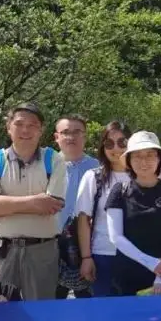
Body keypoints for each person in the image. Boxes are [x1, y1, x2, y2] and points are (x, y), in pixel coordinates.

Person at [0, 102, 65, 302]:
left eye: (32, 125)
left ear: (41, 130)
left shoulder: (54, 160)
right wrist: (36, 202)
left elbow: (52, 205)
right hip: (2, 250)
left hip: (42, 250)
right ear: (8, 127)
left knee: (40, 310)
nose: (25, 130)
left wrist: (5, 205)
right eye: (19, 124)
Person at [106, 131, 161, 296]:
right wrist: (151, 263)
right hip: (127, 276)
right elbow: (116, 237)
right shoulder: (119, 191)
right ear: (129, 161)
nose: (144, 161)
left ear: (159, 159)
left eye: (150, 155)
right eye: (137, 156)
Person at [75, 122, 132, 298]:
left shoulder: (144, 177)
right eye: (109, 143)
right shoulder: (93, 177)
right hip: (103, 254)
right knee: (104, 310)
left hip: (138, 255)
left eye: (122, 142)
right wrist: (86, 258)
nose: (116, 148)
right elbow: (83, 220)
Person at [54, 115, 99, 300]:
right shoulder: (46, 166)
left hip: (88, 245)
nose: (71, 137)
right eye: (65, 132)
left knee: (87, 301)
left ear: (85, 136)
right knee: (52, 301)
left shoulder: (97, 167)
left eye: (77, 132)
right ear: (56, 137)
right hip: (51, 244)